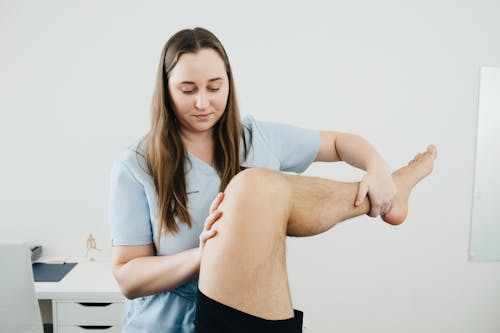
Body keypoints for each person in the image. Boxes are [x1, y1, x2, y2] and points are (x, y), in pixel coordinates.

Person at [108, 26, 436, 333]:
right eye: (188, 90)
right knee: (253, 186)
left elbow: (337, 143)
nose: (203, 102)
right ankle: (388, 195)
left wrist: (376, 167)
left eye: (214, 87)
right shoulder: (137, 165)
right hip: (170, 324)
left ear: (229, 84)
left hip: (248, 308)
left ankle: (388, 191)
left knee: (259, 186)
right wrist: (204, 254)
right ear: (166, 90)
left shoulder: (255, 138)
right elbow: (128, 276)